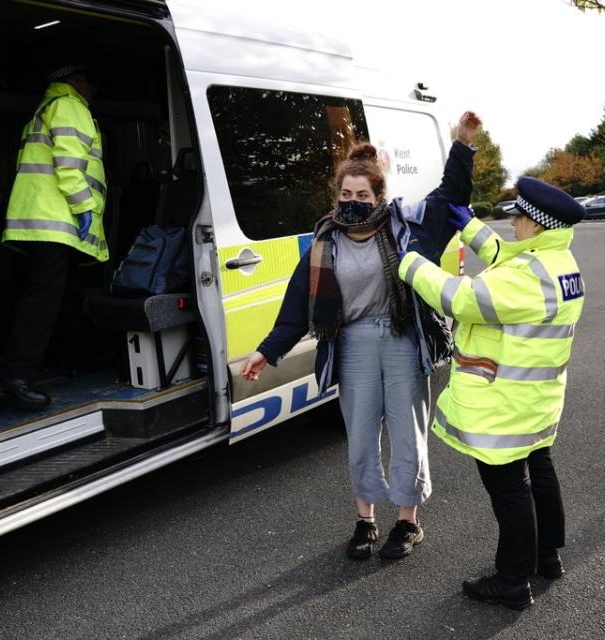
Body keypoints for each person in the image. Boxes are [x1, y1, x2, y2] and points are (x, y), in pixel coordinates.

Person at [240, 112, 482, 560]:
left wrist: (463, 145)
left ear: (378, 196)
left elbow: (451, 196)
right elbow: (296, 309)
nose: (352, 201)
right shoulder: (324, 242)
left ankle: (408, 523)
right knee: (361, 435)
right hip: (350, 345)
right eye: (345, 194)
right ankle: (365, 521)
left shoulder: (405, 229)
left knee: (408, 434)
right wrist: (265, 353)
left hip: (401, 339)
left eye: (361, 194)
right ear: (337, 196)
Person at [398, 177, 585, 609]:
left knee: (509, 488)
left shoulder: (530, 278)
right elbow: (508, 258)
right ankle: (547, 556)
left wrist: (410, 263)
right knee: (539, 470)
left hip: (507, 403)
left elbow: (462, 298)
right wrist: (470, 227)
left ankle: (513, 581)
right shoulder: (559, 261)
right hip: (537, 398)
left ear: (537, 225)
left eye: (519, 217)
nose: (514, 223)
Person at [0, 64, 108, 408]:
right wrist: (84, 206)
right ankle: (17, 375)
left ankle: (66, 361)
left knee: (49, 295)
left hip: (40, 220)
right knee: (43, 299)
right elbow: (70, 164)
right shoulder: (70, 106)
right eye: (90, 82)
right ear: (75, 81)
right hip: (56, 220)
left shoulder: (43, 110)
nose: (93, 90)